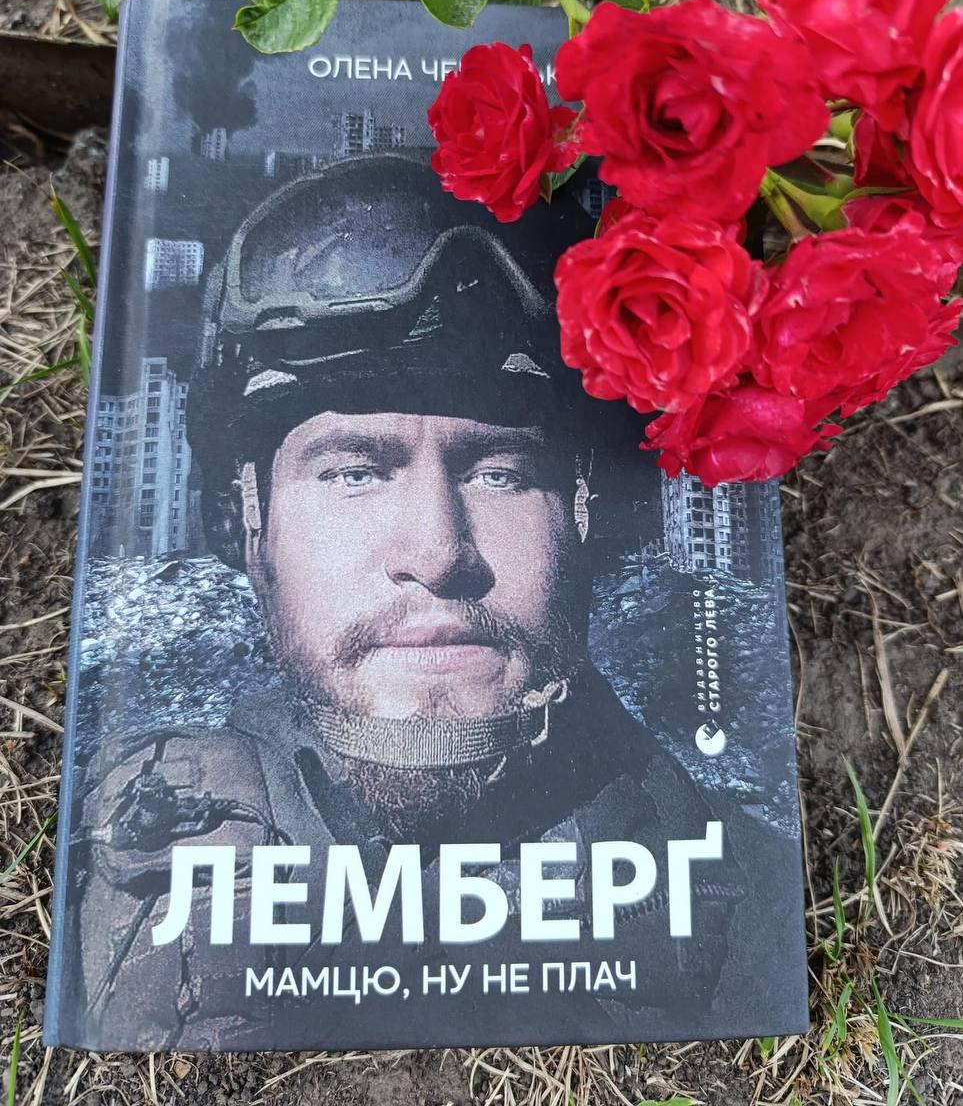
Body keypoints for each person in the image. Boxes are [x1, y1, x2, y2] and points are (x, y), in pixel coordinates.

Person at [61, 156, 805, 1050]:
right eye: (352, 474)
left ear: (584, 513)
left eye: (501, 473)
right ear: (249, 524)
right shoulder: (114, 854)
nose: (438, 553)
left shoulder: (756, 905)